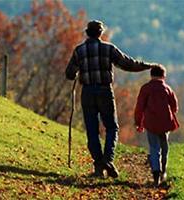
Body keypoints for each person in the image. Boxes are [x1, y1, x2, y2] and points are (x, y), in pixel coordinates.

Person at [65, 20, 160, 178]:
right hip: (104, 91)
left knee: (92, 130)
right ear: (101, 33)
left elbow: (69, 74)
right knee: (112, 127)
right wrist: (147, 66)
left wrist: (77, 72)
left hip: (87, 92)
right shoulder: (108, 49)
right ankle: (107, 160)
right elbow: (128, 64)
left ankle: (98, 165)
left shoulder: (79, 51)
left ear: (87, 32)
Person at [134, 66, 179, 186]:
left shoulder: (145, 89)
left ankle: (155, 175)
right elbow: (175, 107)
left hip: (151, 123)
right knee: (164, 147)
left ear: (151, 75)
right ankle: (163, 170)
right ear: (164, 76)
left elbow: (139, 107)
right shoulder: (167, 89)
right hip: (165, 123)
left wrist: (139, 122)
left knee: (154, 148)